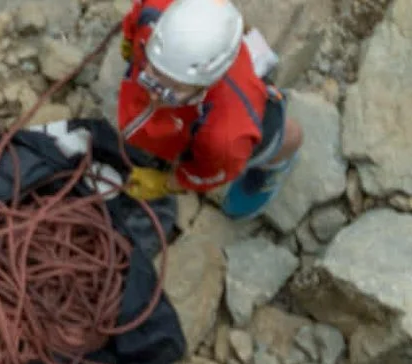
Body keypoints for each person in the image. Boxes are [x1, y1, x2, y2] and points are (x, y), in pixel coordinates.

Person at [115, 0, 303, 220]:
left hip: (237, 112)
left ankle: (275, 163)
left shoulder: (226, 137)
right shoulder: (156, 14)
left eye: (174, 87)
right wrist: (130, 37)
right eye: (154, 73)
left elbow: (211, 173)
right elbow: (140, 13)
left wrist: (168, 183)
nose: (155, 94)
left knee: (280, 137)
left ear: (207, 82)